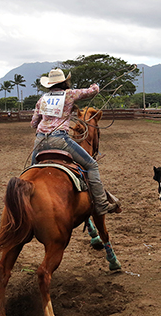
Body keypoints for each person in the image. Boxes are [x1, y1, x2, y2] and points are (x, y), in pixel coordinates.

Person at [30, 68, 121, 215]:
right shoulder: (69, 94)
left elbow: (34, 123)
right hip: (60, 139)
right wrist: (95, 86)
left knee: (31, 172)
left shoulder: (42, 100)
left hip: (40, 141)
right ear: (64, 81)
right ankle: (101, 205)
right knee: (92, 165)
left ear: (49, 84)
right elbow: (92, 91)